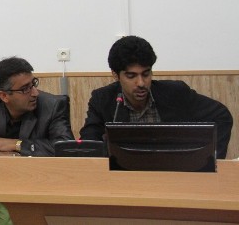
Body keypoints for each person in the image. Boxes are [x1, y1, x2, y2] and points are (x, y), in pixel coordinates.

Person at [80, 36, 233, 158]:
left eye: (146, 74)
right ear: (115, 75)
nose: (141, 83)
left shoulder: (175, 93)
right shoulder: (102, 100)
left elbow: (221, 116)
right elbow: (88, 144)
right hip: (124, 177)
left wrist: (210, 159)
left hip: (173, 174)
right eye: (131, 76)